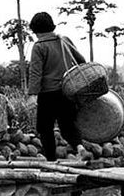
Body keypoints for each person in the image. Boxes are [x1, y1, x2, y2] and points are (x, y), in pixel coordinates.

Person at [27, 11, 86, 161]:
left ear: (35, 29)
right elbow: (81, 60)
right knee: (67, 125)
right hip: (67, 91)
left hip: (48, 94)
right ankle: (79, 147)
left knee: (45, 128)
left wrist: (33, 95)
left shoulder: (39, 46)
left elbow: (36, 73)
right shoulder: (64, 40)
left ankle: (51, 160)